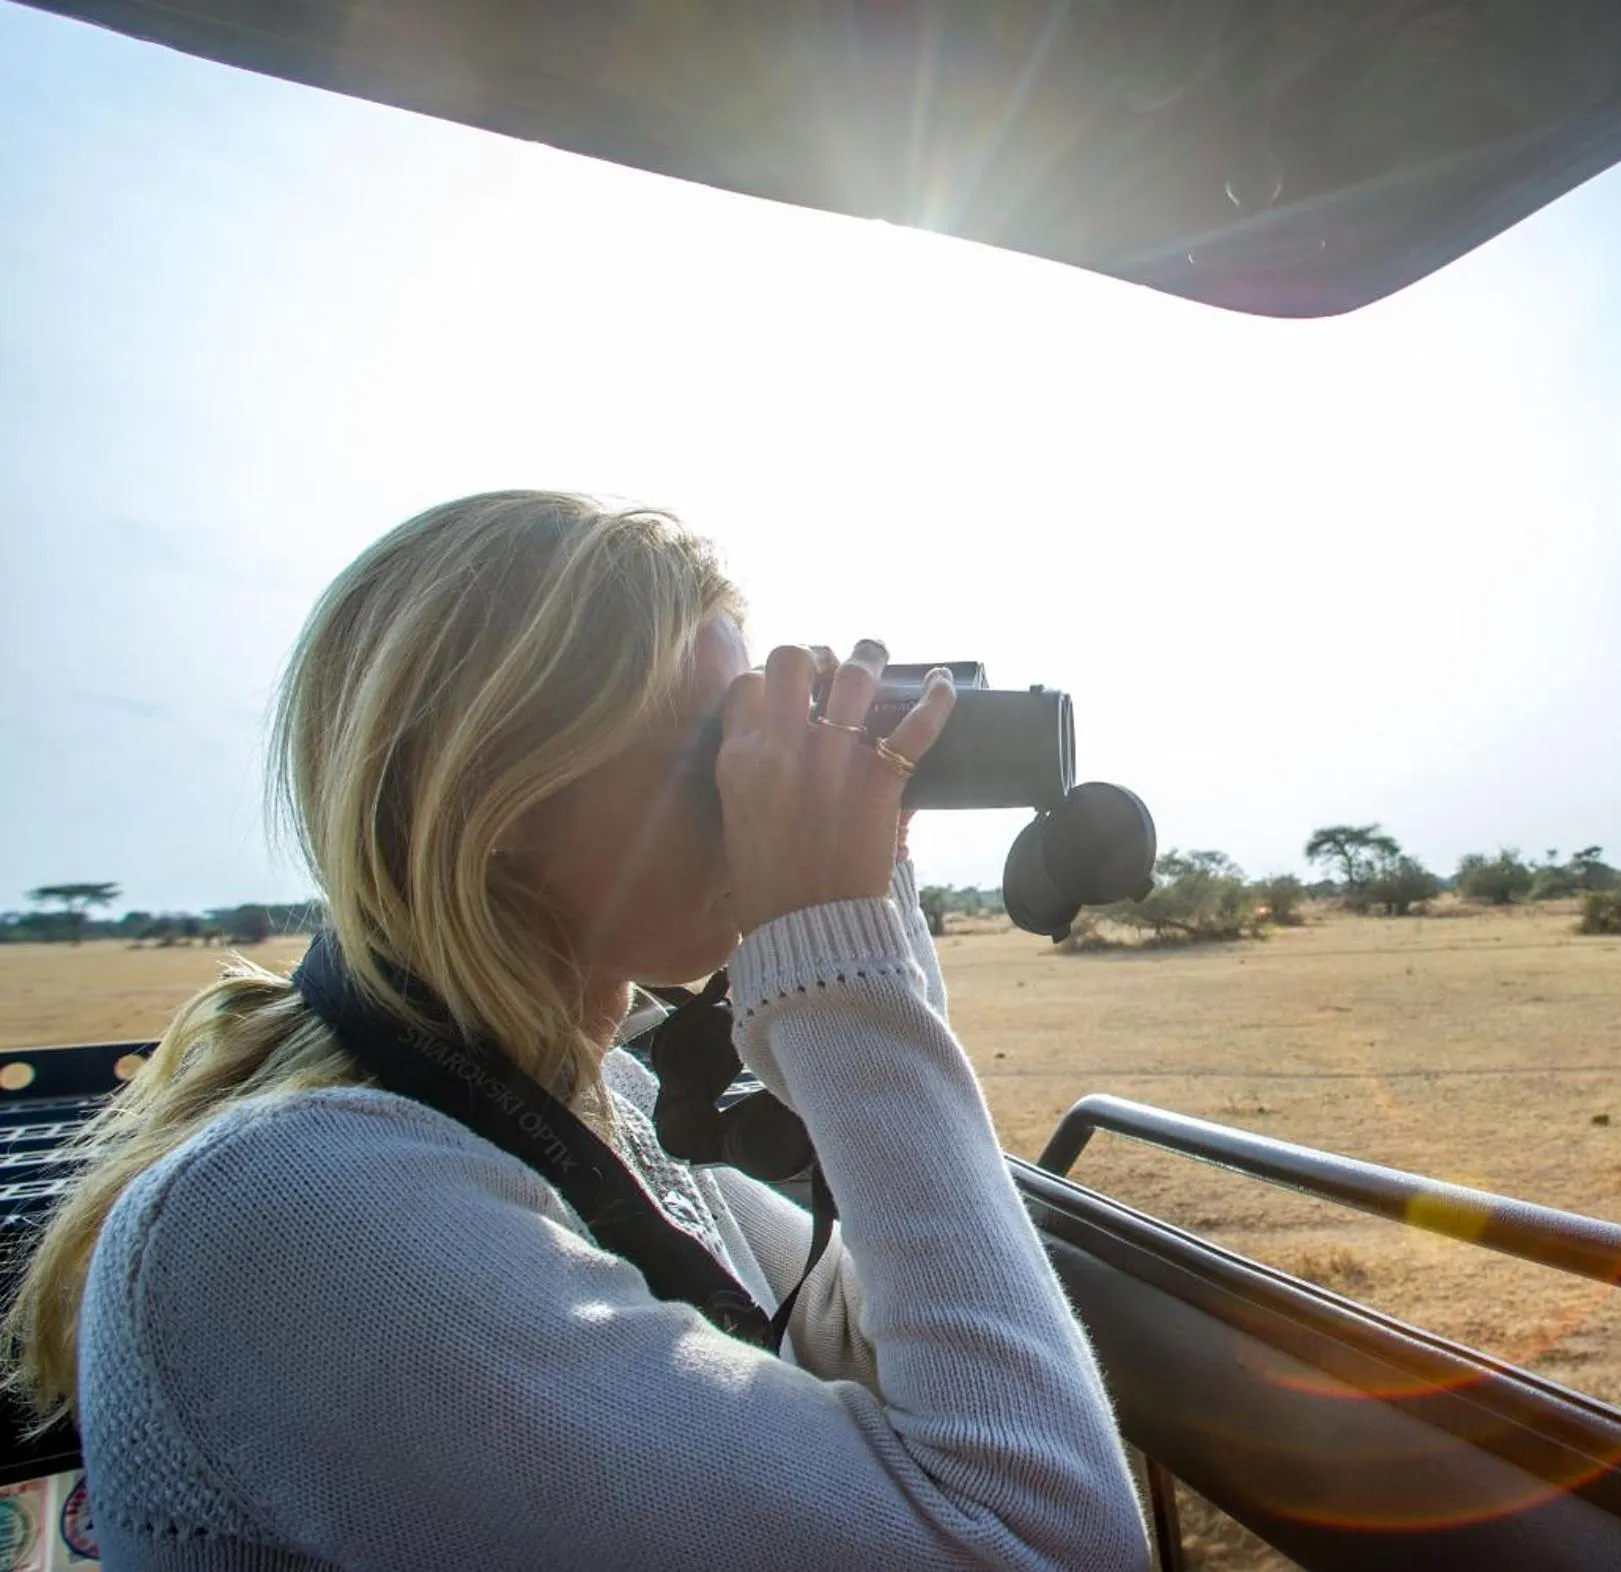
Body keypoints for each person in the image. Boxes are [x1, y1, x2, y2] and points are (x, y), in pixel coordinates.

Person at [0, 491, 1149, 1570]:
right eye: (718, 751)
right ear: (491, 795)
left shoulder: (605, 1100)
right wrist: (842, 968)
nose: (760, 789)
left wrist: (865, 909)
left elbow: (882, 1333)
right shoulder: (295, 1215)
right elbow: (1047, 1538)